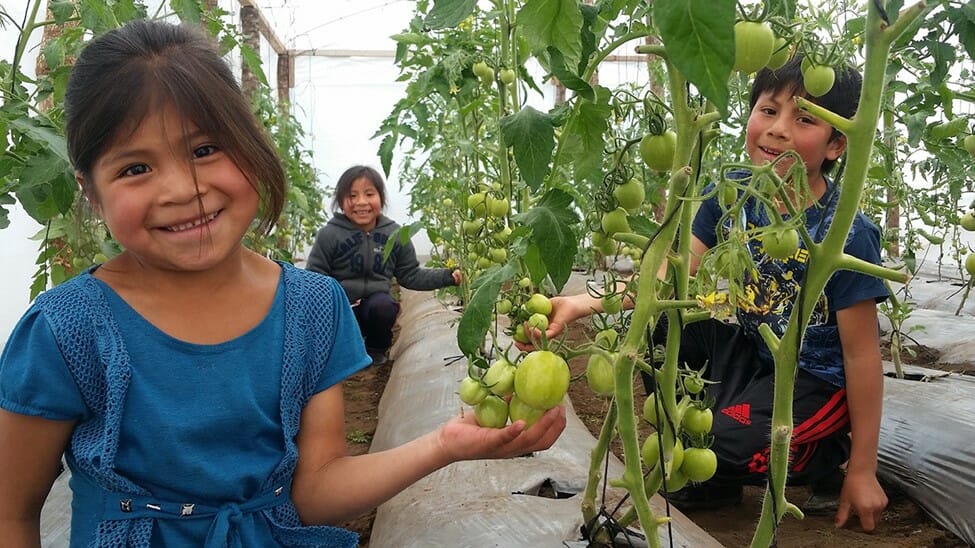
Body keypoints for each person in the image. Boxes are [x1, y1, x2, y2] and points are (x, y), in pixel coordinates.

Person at [0, 20, 565, 547]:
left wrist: (443, 445)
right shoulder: (67, 330)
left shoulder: (311, 309)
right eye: (135, 168)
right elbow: (12, 511)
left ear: (250, 142)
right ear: (91, 191)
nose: (182, 189)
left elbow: (315, 492)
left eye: (204, 149)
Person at [526, 56, 889, 532]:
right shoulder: (731, 193)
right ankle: (715, 480)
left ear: (837, 143)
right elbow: (668, 277)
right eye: (768, 110)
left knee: (715, 437)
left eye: (803, 119)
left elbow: (861, 356)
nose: (777, 129)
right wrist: (580, 303)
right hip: (756, 353)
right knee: (661, 325)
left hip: (817, 383)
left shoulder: (846, 232)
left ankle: (823, 460)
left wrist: (865, 470)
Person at [305, 165, 462, 366]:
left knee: (383, 305)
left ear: (381, 198)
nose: (361, 202)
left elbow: (410, 275)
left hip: (375, 308)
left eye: (369, 194)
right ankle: (337, 352)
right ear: (341, 201)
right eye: (352, 196)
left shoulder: (395, 234)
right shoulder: (330, 234)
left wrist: (449, 276)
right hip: (341, 310)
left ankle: (376, 349)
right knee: (327, 312)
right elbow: (315, 276)